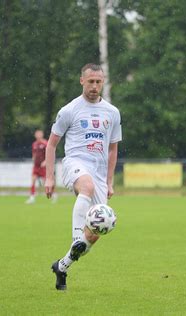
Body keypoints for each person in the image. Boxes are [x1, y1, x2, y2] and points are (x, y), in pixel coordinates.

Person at [45, 63, 122, 290]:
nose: (94, 86)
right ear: (81, 81)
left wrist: (109, 181)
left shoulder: (112, 112)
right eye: (90, 81)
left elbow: (113, 150)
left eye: (98, 82)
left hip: (99, 173)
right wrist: (49, 178)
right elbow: (51, 145)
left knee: (97, 230)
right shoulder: (69, 110)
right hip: (75, 163)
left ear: (103, 82)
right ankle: (76, 235)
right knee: (85, 187)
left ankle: (62, 265)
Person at [25, 129, 57, 204]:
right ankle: (32, 197)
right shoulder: (34, 144)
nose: (38, 135)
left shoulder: (45, 143)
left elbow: (49, 152)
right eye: (37, 134)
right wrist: (33, 159)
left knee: (46, 182)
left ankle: (53, 194)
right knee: (33, 181)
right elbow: (34, 154)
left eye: (39, 134)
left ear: (42, 134)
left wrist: (46, 161)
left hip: (43, 167)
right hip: (36, 166)